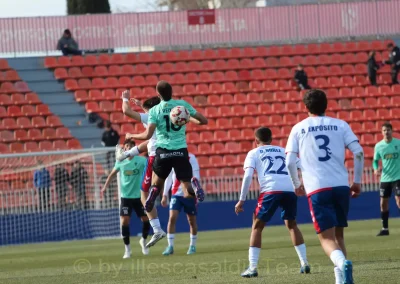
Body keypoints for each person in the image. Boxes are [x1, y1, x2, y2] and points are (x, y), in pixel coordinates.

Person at [285, 89, 364, 284]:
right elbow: (359, 152)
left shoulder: (299, 128)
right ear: (326, 105)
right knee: (338, 234)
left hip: (317, 188)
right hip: (340, 186)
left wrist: (296, 184)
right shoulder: (340, 124)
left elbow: (289, 161)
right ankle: (341, 279)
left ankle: (343, 263)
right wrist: (357, 181)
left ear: (305, 107)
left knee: (326, 239)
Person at [127, 80, 208, 248]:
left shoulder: (155, 110)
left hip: (162, 151)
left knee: (156, 183)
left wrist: (131, 135)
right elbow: (203, 121)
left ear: (158, 95)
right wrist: (189, 119)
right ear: (172, 91)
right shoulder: (181, 105)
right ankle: (193, 183)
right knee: (186, 187)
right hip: (180, 150)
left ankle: (154, 193)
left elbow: (148, 134)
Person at [235, 127, 309, 278]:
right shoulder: (283, 150)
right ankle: (304, 263)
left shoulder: (253, 153)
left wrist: (242, 199)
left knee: (257, 226)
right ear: (271, 138)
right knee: (292, 224)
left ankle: (253, 267)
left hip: (271, 190)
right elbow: (305, 167)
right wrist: (302, 184)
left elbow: (248, 176)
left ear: (256, 140)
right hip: (289, 189)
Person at [117, 93, 167, 248]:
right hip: (169, 153)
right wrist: (140, 104)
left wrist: (125, 99)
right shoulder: (165, 116)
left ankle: (157, 229)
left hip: (155, 157)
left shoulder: (151, 117)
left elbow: (126, 111)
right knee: (151, 142)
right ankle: (126, 154)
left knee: (144, 194)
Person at [102, 139, 150, 258]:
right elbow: (112, 174)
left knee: (146, 220)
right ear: (124, 149)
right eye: (126, 146)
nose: (128, 148)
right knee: (124, 221)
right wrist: (105, 187)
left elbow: (151, 170)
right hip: (126, 197)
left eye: (131, 146)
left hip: (139, 197)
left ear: (134, 149)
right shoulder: (120, 162)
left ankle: (143, 241)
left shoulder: (142, 160)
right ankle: (127, 249)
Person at [161, 153, 200, 256]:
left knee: (191, 220)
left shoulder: (191, 158)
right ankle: (170, 246)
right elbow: (169, 177)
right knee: (172, 218)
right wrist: (165, 194)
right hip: (176, 194)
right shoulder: (172, 158)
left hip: (189, 194)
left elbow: (196, 176)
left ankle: (192, 245)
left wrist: (195, 190)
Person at [373, 122, 400, 236]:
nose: (386, 132)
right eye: (384, 130)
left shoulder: (398, 143)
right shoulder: (379, 146)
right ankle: (385, 228)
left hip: (398, 177)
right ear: (381, 132)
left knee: (399, 200)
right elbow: (375, 160)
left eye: (388, 130)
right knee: (383, 203)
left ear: (391, 131)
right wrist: (375, 169)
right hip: (385, 178)